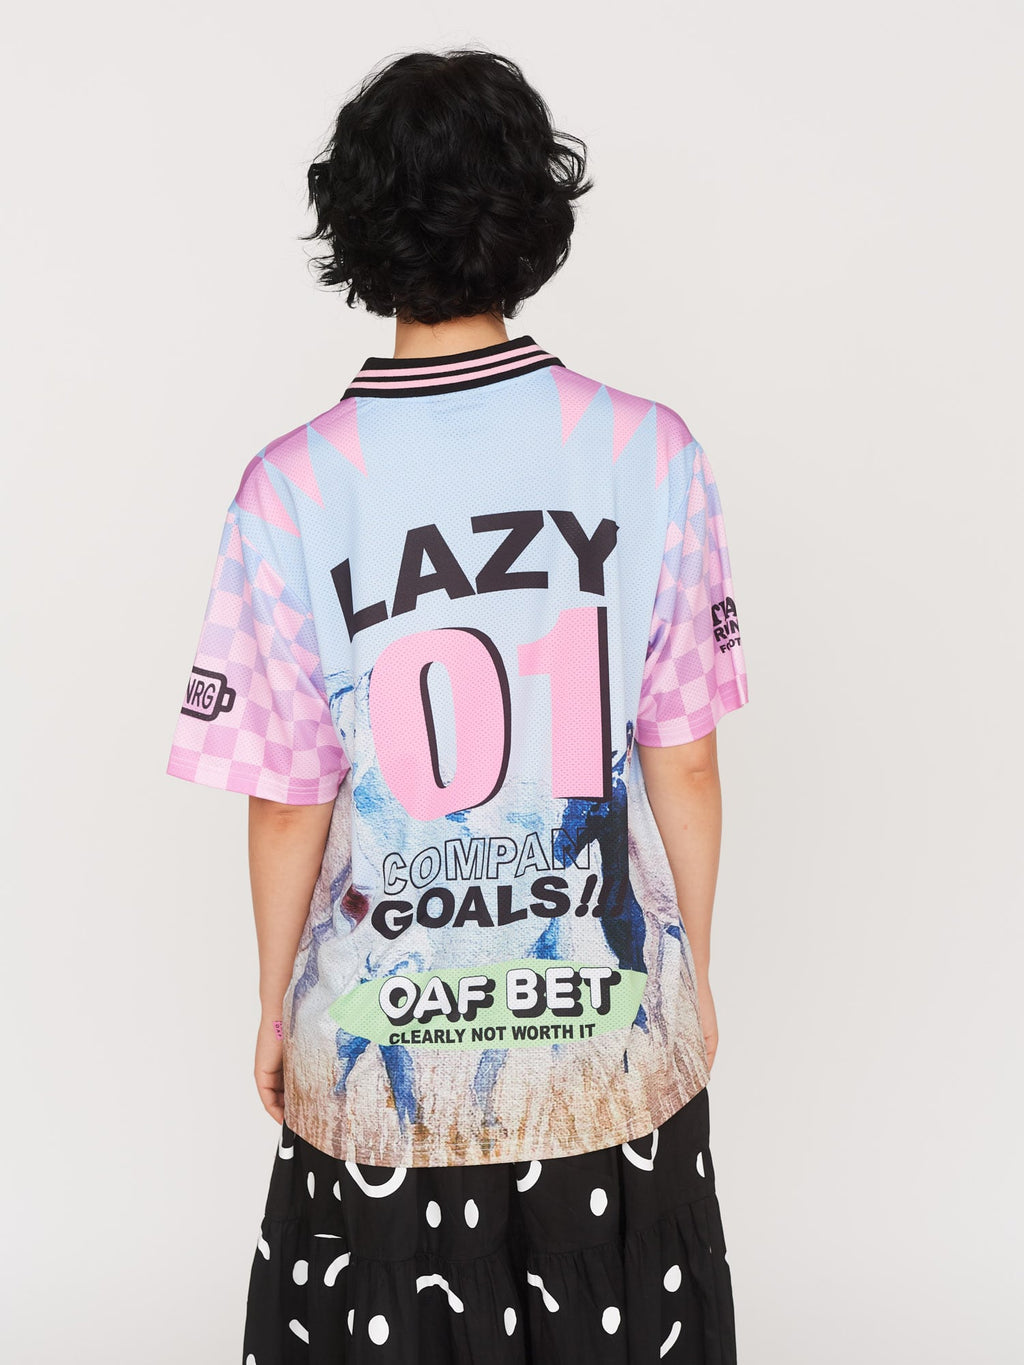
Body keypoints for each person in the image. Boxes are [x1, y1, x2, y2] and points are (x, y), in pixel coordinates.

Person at [166, 47, 749, 1365]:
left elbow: (289, 796)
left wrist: (276, 1006)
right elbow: (686, 759)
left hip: (386, 1047)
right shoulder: (651, 451)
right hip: (609, 1039)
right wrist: (690, 974)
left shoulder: (289, 488)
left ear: (355, 228)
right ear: (533, 217)